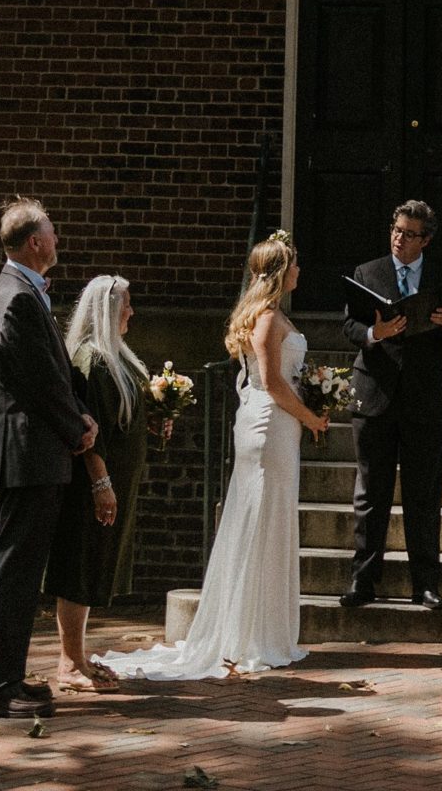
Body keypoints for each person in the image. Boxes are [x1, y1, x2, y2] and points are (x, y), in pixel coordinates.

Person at [100, 231, 328, 681]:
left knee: (270, 519)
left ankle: (264, 630)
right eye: (295, 264)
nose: (300, 270)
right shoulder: (265, 318)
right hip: (269, 423)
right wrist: (312, 418)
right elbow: (273, 382)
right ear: (282, 272)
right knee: (258, 520)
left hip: (276, 425)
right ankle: (247, 635)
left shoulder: (272, 313)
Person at [0, 200, 97, 719]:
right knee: (14, 572)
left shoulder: (19, 294)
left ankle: (8, 675)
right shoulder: (18, 301)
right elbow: (38, 381)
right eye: (52, 232)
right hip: (29, 457)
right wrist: (78, 428)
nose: (57, 240)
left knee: (20, 573)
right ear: (34, 243)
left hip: (32, 455)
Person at [339, 198, 442, 613]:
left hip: (423, 399)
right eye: (396, 230)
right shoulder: (368, 272)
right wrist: (374, 333)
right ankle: (363, 581)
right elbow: (348, 325)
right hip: (375, 394)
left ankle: (426, 585)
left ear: (425, 240)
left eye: (409, 234)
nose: (399, 239)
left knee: (423, 495)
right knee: (370, 495)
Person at [46, 274, 159, 693]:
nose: (131, 311)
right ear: (106, 310)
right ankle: (68, 662)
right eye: (125, 304)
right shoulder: (90, 360)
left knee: (95, 563)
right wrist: (100, 483)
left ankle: (77, 655)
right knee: (79, 562)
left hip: (117, 479)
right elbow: (89, 432)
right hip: (93, 483)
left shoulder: (117, 356)